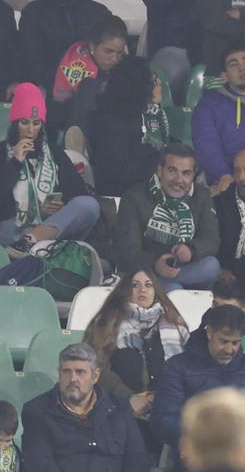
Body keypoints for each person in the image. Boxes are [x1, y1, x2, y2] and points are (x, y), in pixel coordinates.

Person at [22, 343, 149, 472]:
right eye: (67, 372)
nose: (73, 379)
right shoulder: (37, 411)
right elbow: (41, 468)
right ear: (59, 373)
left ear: (95, 375)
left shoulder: (120, 409)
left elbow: (137, 459)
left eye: (80, 372)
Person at [0, 83, 99, 251]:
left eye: (36, 123)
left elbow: (78, 193)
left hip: (45, 228)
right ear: (14, 123)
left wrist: (63, 206)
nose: (30, 130)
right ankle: (36, 245)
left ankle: (32, 240)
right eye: (24, 122)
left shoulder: (54, 153)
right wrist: (15, 163)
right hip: (8, 227)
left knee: (89, 205)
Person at [105, 144, 219, 289]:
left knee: (211, 266)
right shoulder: (134, 197)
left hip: (183, 269)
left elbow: (211, 240)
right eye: (172, 171)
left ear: (194, 175)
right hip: (145, 272)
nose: (179, 179)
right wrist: (155, 264)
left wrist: (191, 249)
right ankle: (161, 287)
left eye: (186, 173)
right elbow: (127, 251)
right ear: (160, 170)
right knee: (174, 289)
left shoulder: (201, 196)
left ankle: (165, 287)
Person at [83, 266, 188, 414]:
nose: (142, 290)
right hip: (119, 407)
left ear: (155, 291)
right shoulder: (106, 323)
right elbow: (93, 368)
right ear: (126, 290)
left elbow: (189, 369)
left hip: (169, 406)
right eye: (135, 285)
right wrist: (127, 397)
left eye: (148, 285)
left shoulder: (175, 324)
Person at [150, 303, 245, 449]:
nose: (229, 349)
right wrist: (204, 441)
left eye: (235, 343)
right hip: (197, 451)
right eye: (223, 341)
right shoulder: (178, 366)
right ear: (209, 333)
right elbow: (163, 420)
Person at [18, 0, 113, 90]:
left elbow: (109, 57)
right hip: (48, 89)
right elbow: (32, 63)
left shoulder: (99, 13)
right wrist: (64, 85)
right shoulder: (33, 13)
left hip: (93, 88)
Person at [87, 55, 171, 198]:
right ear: (139, 86)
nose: (157, 84)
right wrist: (163, 166)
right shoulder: (111, 123)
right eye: (152, 82)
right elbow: (122, 172)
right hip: (125, 197)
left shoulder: (139, 114)